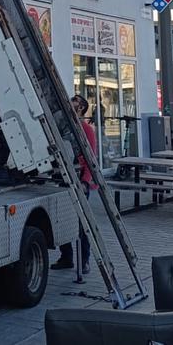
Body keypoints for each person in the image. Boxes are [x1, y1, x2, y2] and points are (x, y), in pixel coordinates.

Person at [52, 95, 99, 277]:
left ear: (81, 108)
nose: (71, 101)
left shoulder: (86, 129)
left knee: (82, 224)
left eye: (75, 100)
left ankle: (84, 260)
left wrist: (85, 181)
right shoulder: (62, 127)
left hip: (80, 180)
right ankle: (66, 257)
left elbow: (90, 157)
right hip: (62, 177)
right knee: (63, 220)